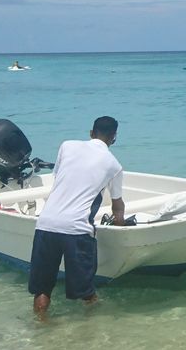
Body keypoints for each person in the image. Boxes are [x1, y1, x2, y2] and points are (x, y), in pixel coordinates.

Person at [28, 115, 125, 316]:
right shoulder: (114, 165)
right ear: (114, 137)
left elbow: (58, 178)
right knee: (87, 294)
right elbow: (117, 206)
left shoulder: (67, 146)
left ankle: (40, 327)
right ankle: (90, 333)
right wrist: (121, 226)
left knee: (43, 289)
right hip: (78, 231)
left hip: (46, 225)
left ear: (91, 133)